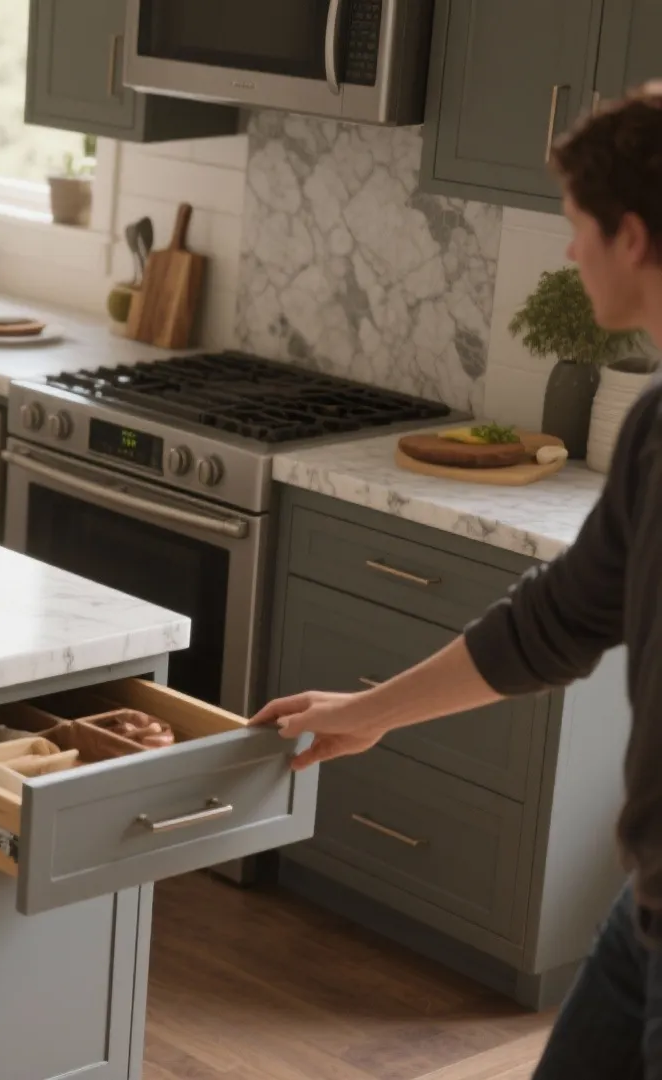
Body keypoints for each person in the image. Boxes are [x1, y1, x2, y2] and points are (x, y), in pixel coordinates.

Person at [250, 85, 662, 1078]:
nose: (569, 254)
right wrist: (373, 710)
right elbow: (557, 622)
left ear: (635, 238)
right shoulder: (654, 427)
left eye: (575, 229)